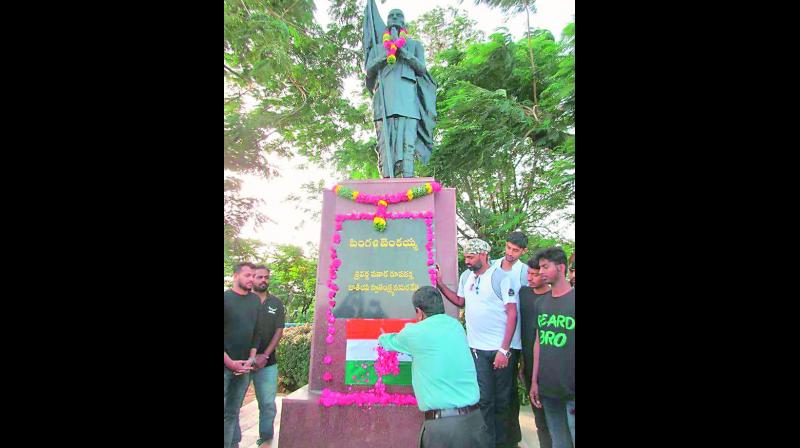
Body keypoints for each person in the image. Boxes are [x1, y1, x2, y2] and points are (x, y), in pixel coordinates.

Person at [378, 286, 491, 447]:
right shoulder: (456, 327)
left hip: (442, 430)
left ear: (419, 312)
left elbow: (388, 342)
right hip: (474, 422)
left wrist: (381, 336)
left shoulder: (414, 333)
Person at [436, 238, 517, 446]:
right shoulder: (466, 277)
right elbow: (461, 301)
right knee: (484, 400)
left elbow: (512, 314)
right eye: (466, 257)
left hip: (499, 351)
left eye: (471, 257)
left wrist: (504, 350)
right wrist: (440, 284)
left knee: (502, 401)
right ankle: (487, 442)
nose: (468, 261)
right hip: (477, 351)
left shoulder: (501, 277)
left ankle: (502, 442)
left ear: (483, 255)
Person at [363, 2, 436, 177]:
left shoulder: (414, 45)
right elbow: (368, 70)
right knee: (384, 141)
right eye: (391, 16)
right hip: (383, 101)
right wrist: (385, 55)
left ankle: (408, 177)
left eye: (399, 15)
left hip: (408, 100)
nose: (395, 18)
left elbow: (422, 69)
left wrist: (403, 52)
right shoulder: (378, 47)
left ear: (405, 23)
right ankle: (387, 179)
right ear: (387, 22)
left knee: (407, 142)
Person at [232, 265, 285, 448]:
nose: (264, 280)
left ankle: (266, 438)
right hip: (240, 362)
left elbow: (279, 331)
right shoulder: (242, 300)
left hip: (267, 363)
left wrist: (265, 355)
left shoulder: (276, 303)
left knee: (268, 403)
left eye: (266, 277)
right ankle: (234, 441)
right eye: (259, 277)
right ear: (252, 278)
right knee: (234, 404)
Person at [530, 248, 575, 448]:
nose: (541, 272)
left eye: (546, 267)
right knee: (559, 442)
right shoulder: (541, 303)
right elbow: (538, 342)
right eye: (540, 267)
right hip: (548, 389)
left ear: (561, 267)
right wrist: (534, 381)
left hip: (572, 390)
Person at [491, 231, 529, 447]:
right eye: (508, 247)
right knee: (493, 392)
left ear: (523, 251)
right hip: (488, 340)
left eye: (515, 250)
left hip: (512, 342)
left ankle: (510, 439)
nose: (510, 253)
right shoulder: (493, 266)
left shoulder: (524, 272)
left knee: (507, 392)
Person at [224, 262, 262, 448]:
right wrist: (230, 363)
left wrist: (251, 358)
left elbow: (257, 331)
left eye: (253, 276)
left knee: (232, 411)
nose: (251, 279)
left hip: (244, 367)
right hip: (225, 365)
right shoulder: (225, 299)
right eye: (247, 275)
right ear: (235, 276)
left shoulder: (255, 300)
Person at [518, 257, 552, 448]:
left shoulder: (555, 297)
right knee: (540, 418)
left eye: (535, 274)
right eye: (528, 273)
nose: (530, 278)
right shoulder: (523, 294)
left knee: (556, 417)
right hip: (530, 363)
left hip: (552, 366)